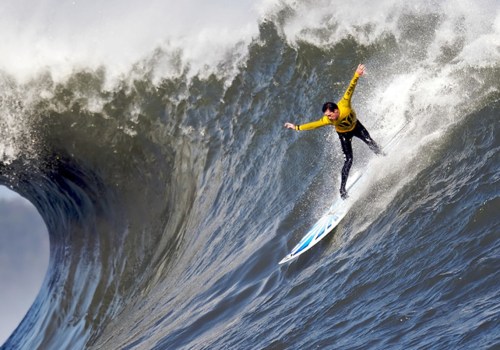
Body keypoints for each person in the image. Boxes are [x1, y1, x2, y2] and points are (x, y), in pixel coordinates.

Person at [284, 64, 383, 199]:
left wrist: (357, 74)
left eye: (329, 115)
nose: (327, 118)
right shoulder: (327, 120)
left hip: (356, 126)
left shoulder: (344, 103)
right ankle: (342, 189)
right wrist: (296, 127)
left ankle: (382, 155)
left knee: (370, 141)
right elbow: (313, 125)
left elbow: (351, 88)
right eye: (326, 116)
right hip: (344, 135)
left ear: (336, 111)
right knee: (348, 160)